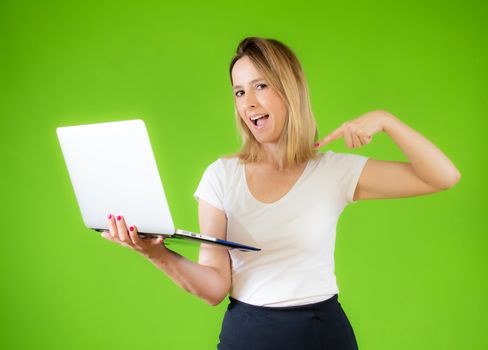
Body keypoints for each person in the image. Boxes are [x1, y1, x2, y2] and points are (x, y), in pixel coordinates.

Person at [100, 37, 461, 350]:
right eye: (239, 92)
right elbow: (214, 288)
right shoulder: (221, 177)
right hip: (248, 336)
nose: (249, 103)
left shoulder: (333, 171)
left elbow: (442, 176)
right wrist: (155, 252)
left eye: (260, 86)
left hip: (323, 335)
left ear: (289, 90)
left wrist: (386, 120)